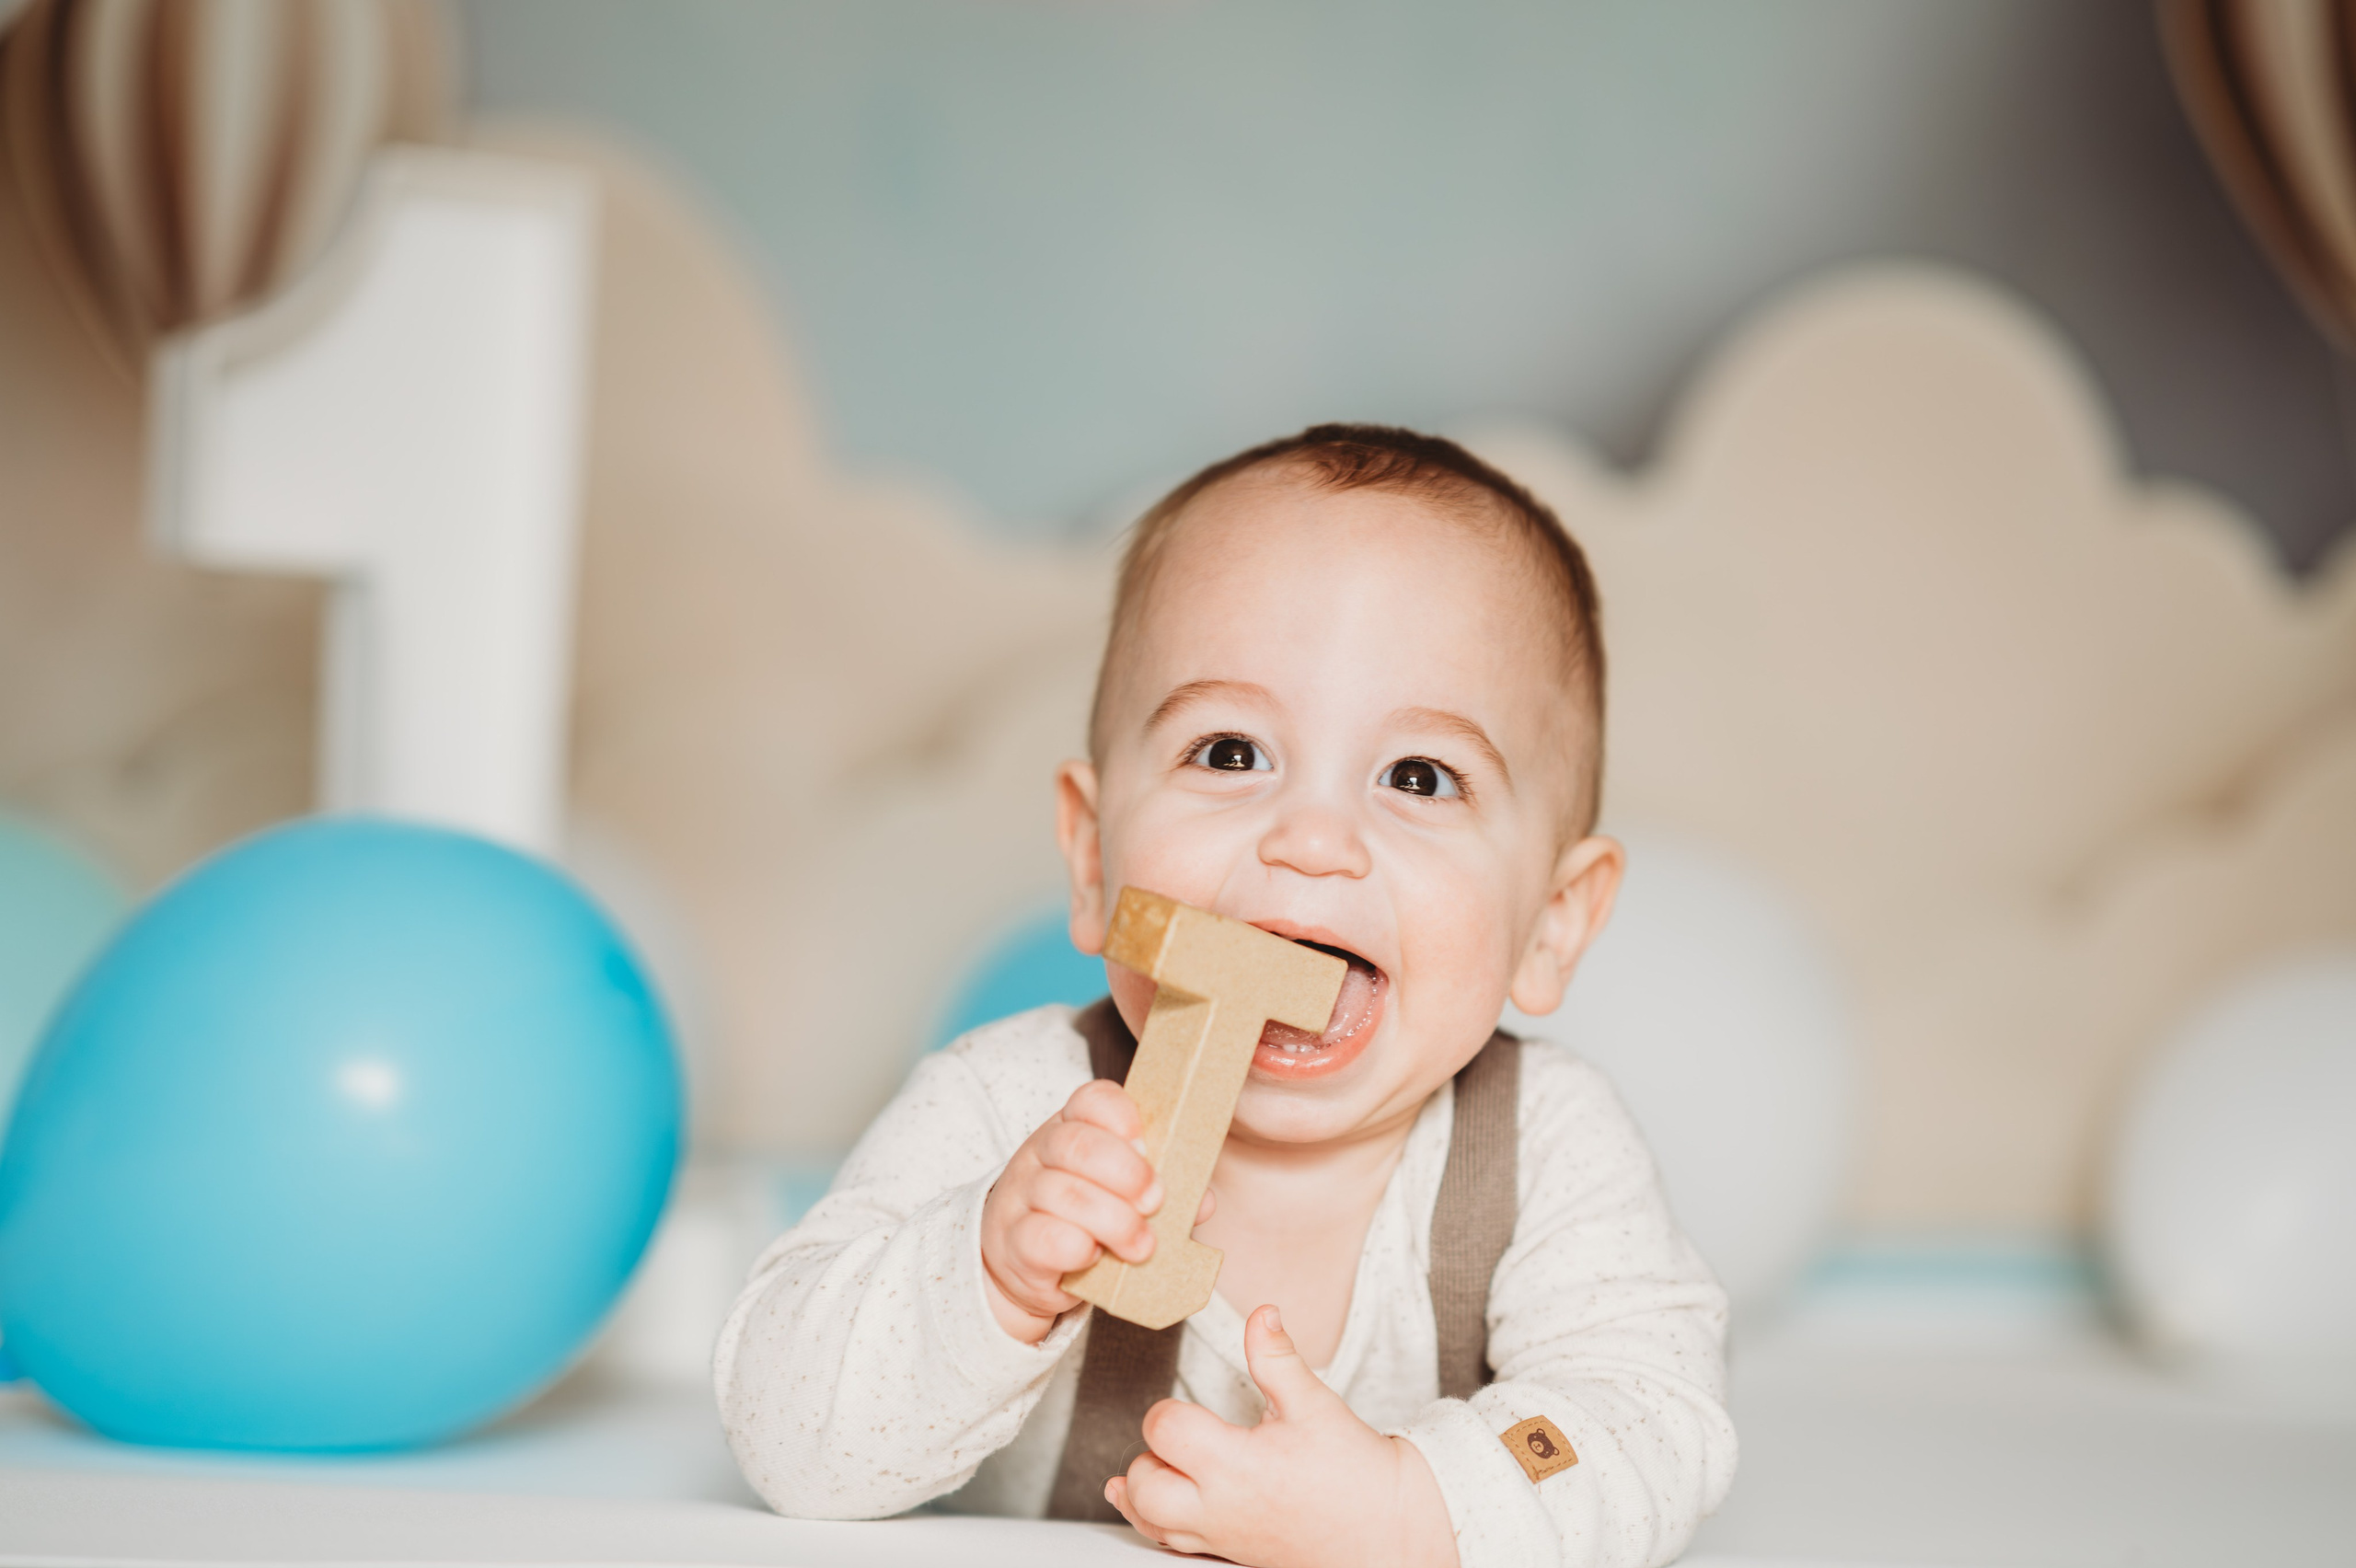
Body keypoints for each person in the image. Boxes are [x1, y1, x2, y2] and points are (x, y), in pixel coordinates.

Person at [714, 424, 1737, 1567]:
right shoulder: (1006, 1104)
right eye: (1230, 753)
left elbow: (1648, 1418)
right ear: (1095, 860)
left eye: (1417, 776)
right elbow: (780, 1429)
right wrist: (988, 1272)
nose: (1309, 839)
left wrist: (1411, 1510)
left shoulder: (1546, 1147)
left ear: (1548, 926)